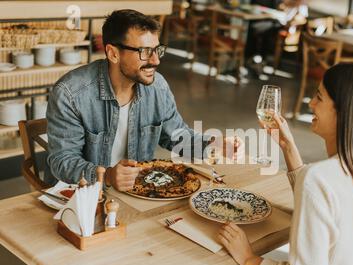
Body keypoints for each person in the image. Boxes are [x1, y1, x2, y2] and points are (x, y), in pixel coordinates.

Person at [194, 63, 353, 265]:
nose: (311, 104)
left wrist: (249, 257)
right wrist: (288, 147)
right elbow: (320, 201)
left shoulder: (319, 178)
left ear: (344, 112)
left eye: (319, 97)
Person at [45, 9, 239, 190]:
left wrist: (211, 145)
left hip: (138, 191)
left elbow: (176, 136)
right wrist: (108, 177)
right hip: (81, 196)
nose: (155, 60)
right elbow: (63, 161)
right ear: (113, 53)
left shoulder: (157, 87)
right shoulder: (70, 93)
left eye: (157, 50)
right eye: (145, 52)